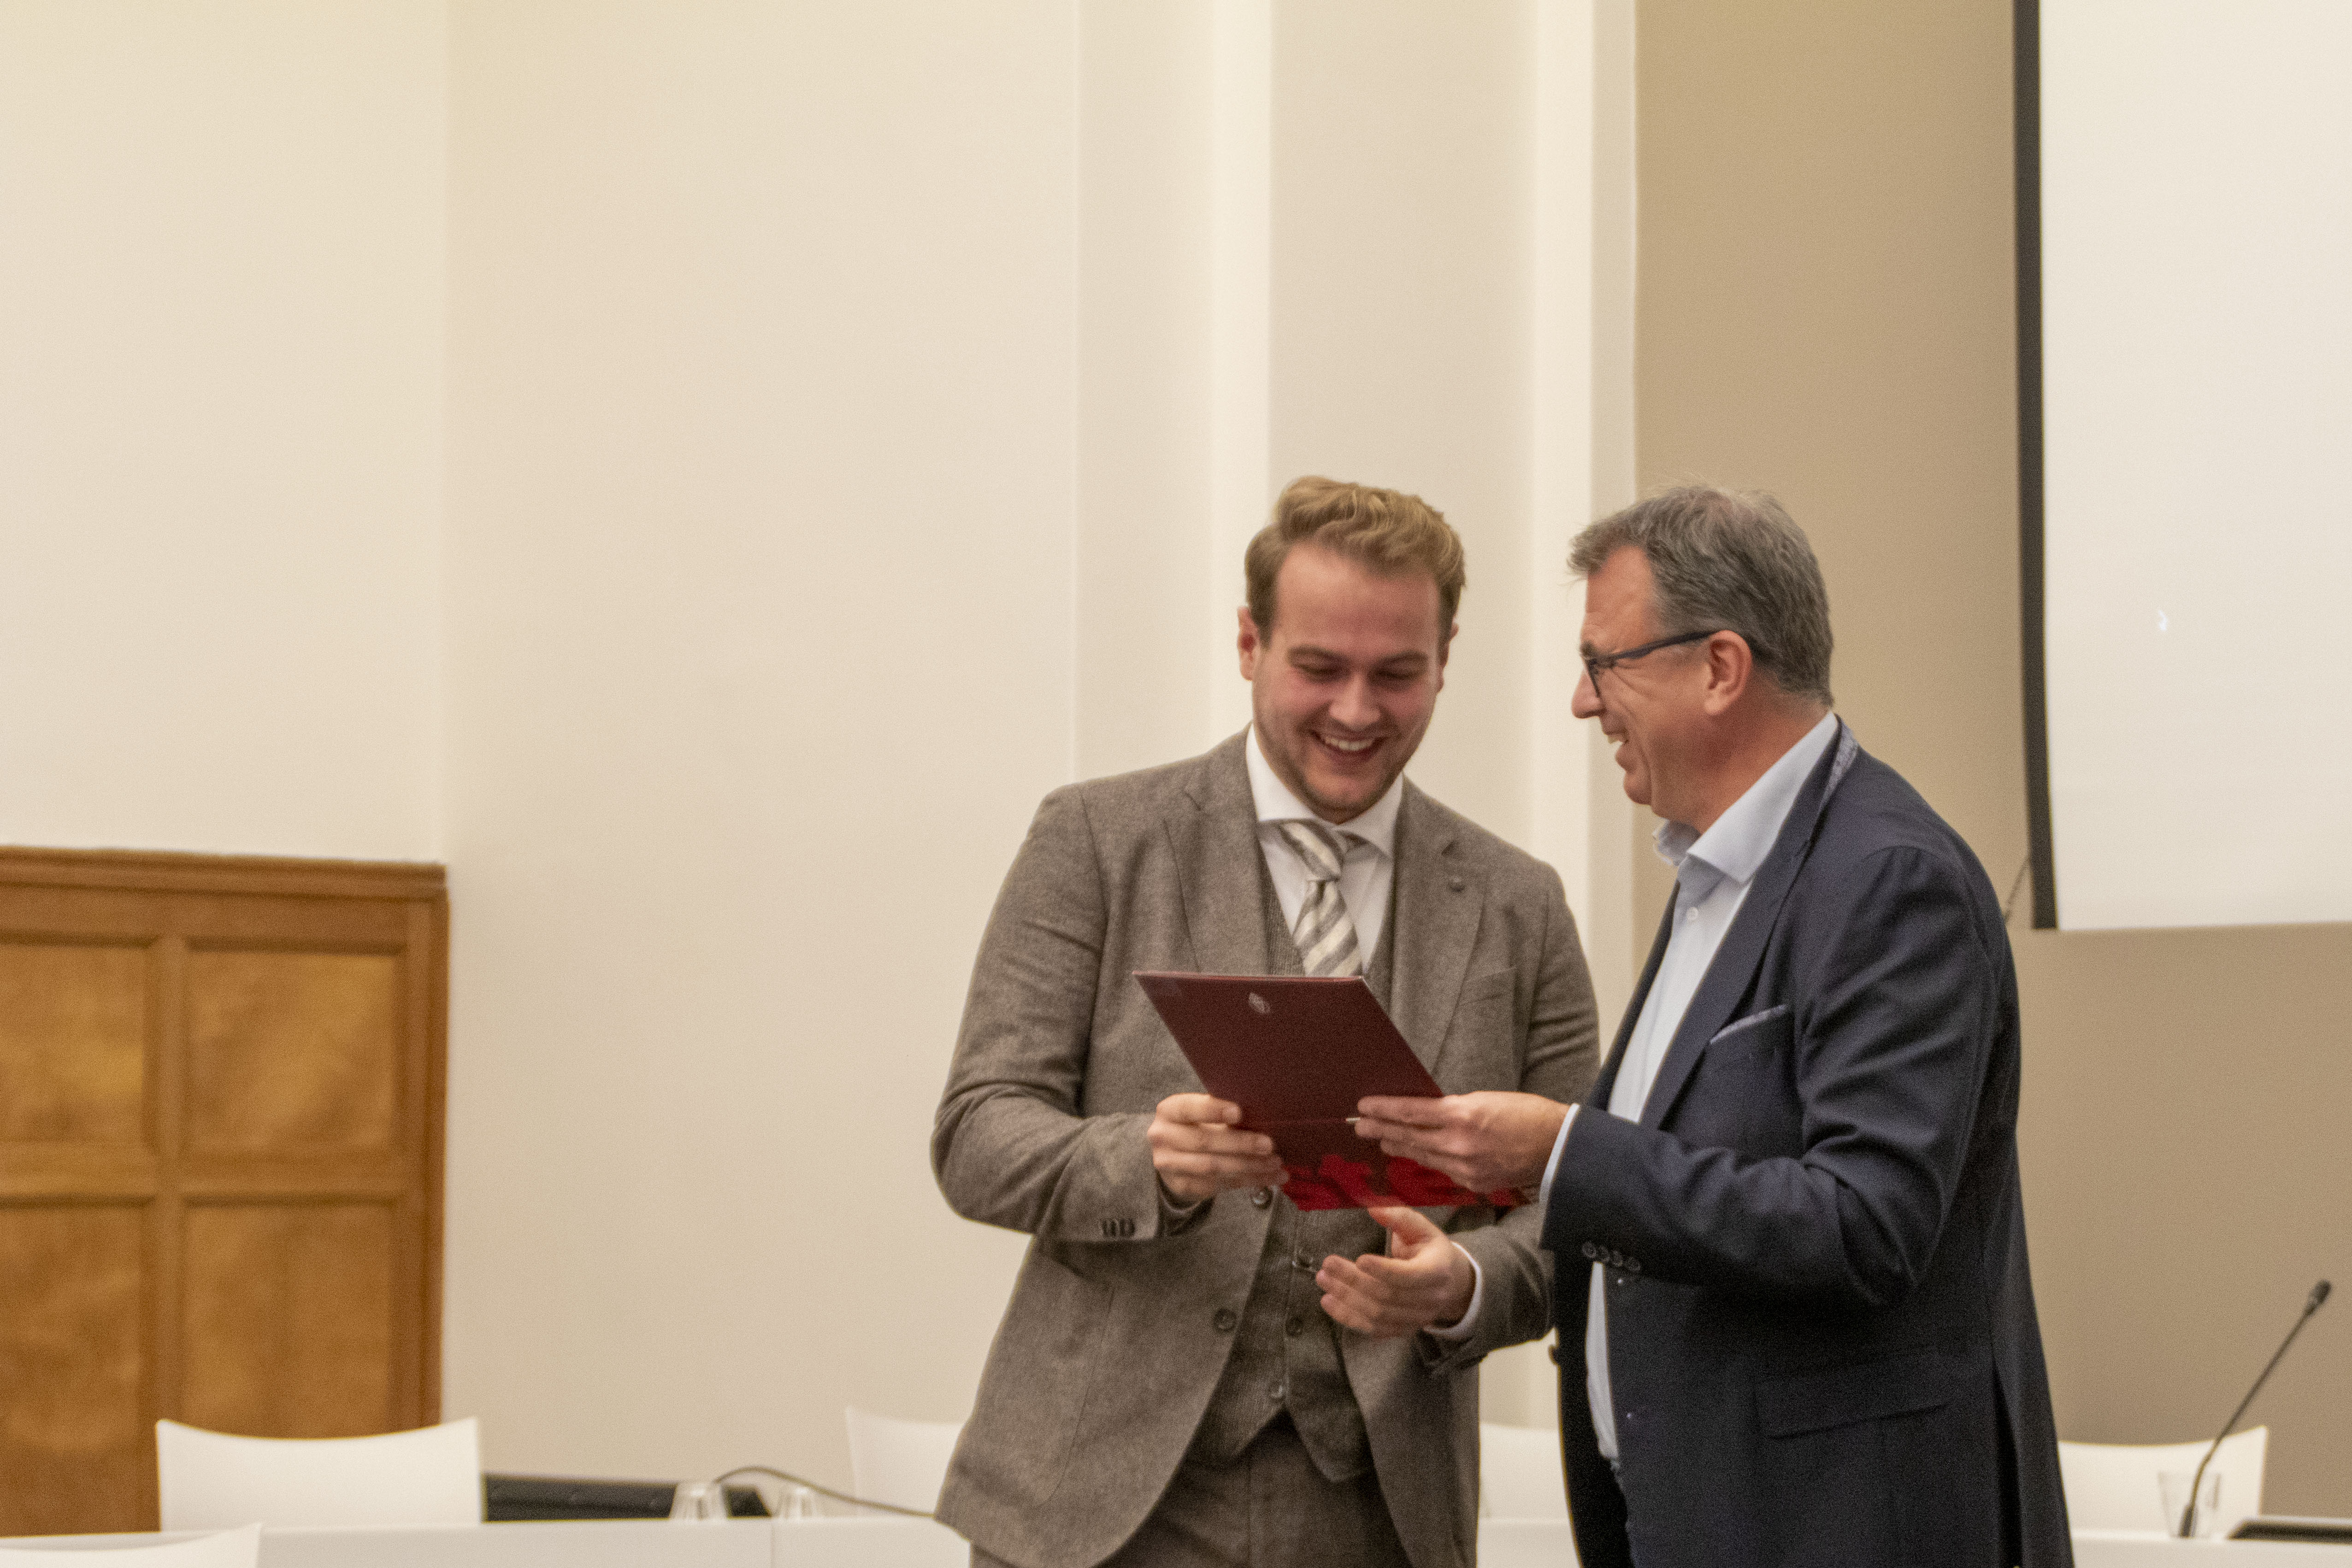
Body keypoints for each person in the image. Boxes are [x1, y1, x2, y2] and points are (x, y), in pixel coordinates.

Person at [1356, 487, 2071, 1568]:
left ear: (1719, 669)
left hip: (1832, 1533)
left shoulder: (1887, 879)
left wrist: (1562, 1154)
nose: (1582, 703)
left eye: (1602, 664)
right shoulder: (1720, 873)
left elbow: (1862, 1223)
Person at [932, 477, 1601, 1568]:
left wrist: (1467, 1284)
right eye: (1318, 668)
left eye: (1396, 674)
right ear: (1248, 644)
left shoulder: (1519, 907)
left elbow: (1581, 1207)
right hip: (1092, 1512)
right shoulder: (1094, 841)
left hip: (1380, 1516)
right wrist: (1146, 1161)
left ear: (1445, 659)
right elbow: (976, 1137)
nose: (1355, 711)